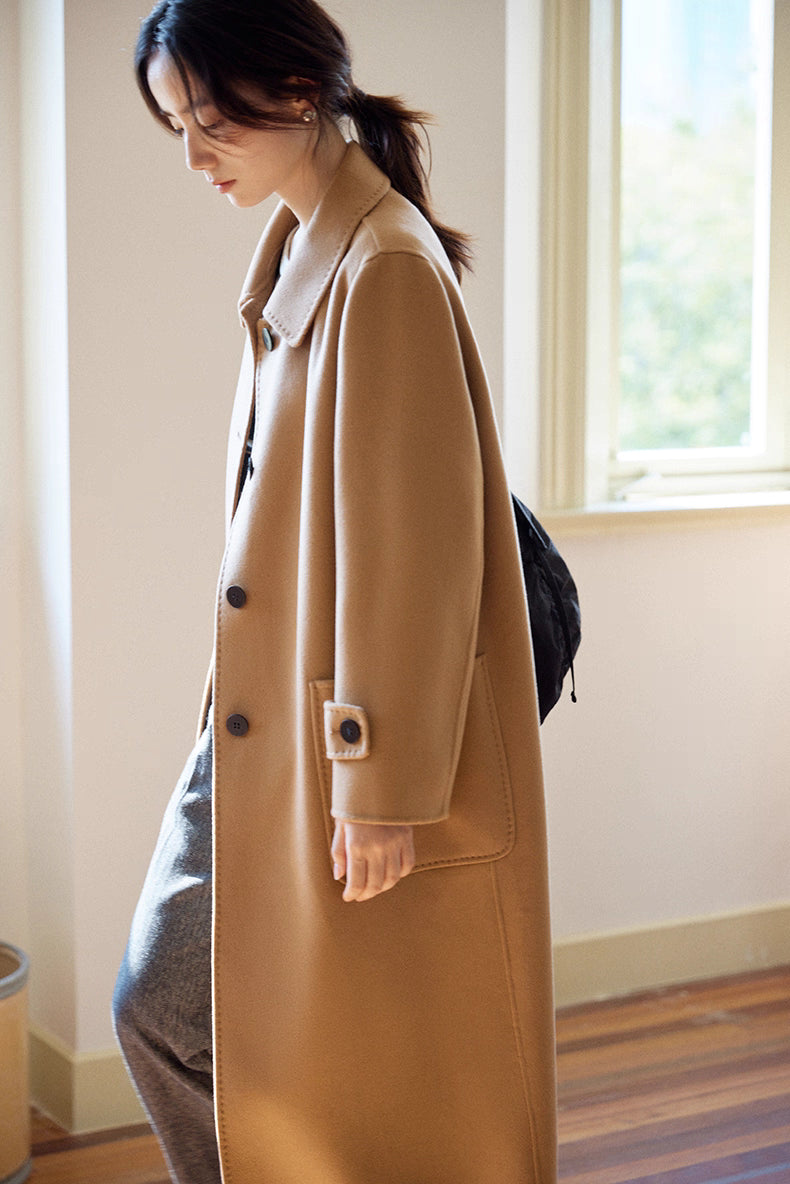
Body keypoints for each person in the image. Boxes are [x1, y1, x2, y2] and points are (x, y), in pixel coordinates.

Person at [112, 1, 557, 1181]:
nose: (197, 158)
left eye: (209, 124)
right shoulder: (304, 253)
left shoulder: (384, 266)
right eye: (178, 129)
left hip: (330, 740)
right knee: (194, 1020)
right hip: (261, 729)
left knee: (198, 1020)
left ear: (298, 92)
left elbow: (412, 549)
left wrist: (378, 776)